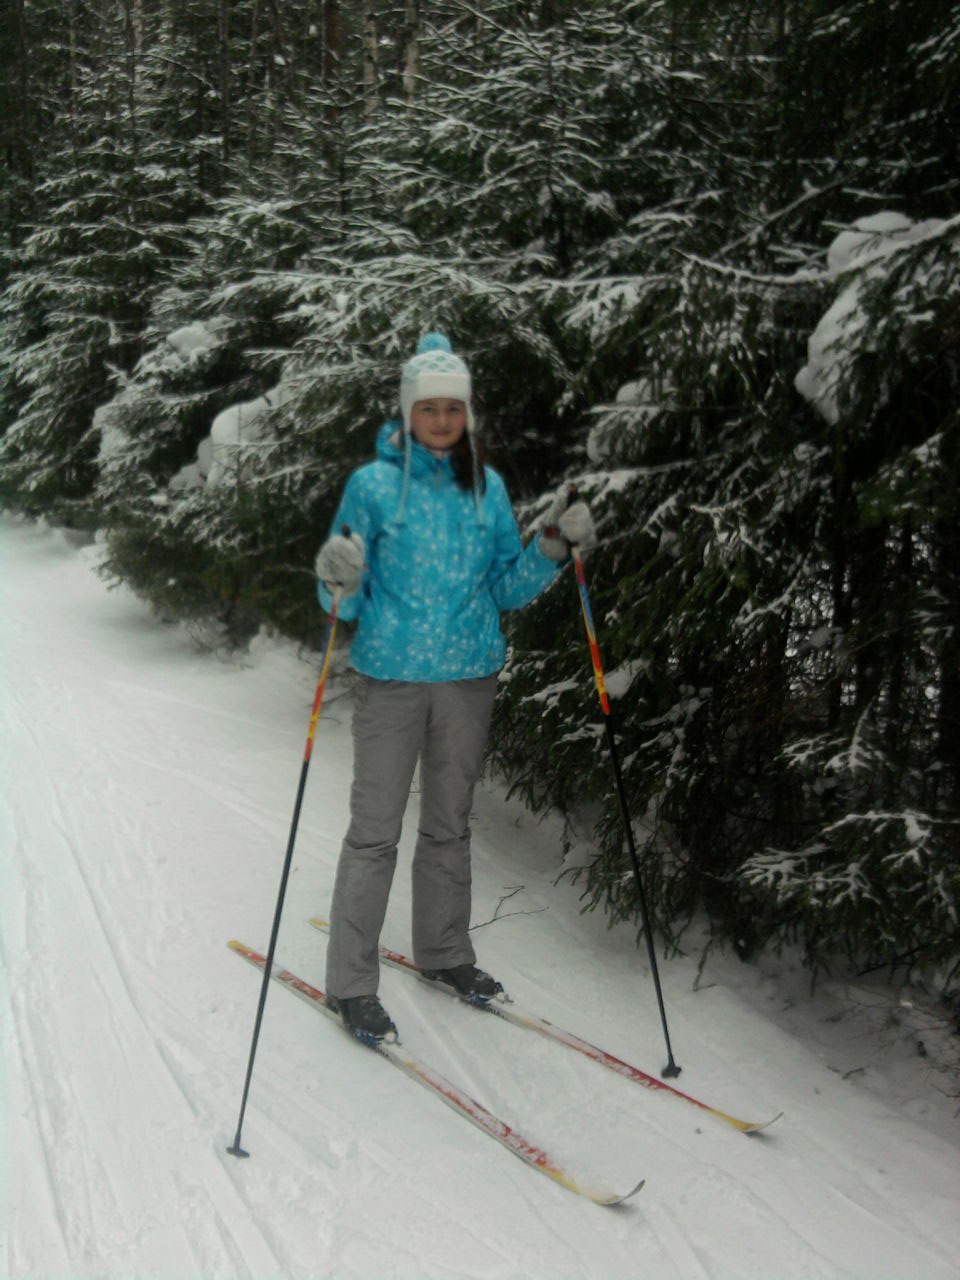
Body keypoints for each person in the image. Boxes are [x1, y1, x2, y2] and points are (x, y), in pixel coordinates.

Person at [314, 333, 595, 1042]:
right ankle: (351, 984)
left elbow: (505, 583)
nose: (441, 419)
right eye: (429, 407)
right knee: (375, 834)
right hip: (392, 678)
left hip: (469, 676)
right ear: (408, 411)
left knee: (448, 827)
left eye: (453, 408)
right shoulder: (372, 486)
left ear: (468, 414)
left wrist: (553, 549)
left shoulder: (487, 488)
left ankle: (443, 954)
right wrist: (336, 574)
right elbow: (341, 606)